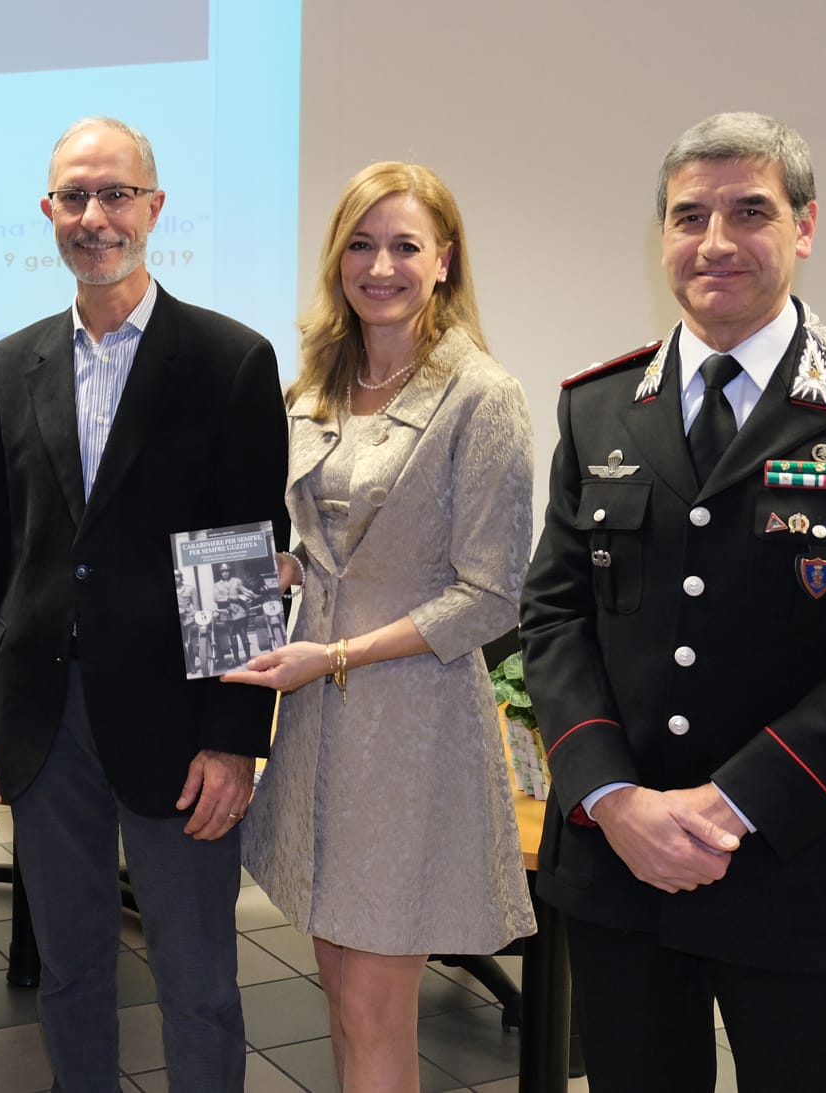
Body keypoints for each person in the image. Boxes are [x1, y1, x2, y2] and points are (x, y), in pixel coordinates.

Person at [519, 112, 826, 1093]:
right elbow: (554, 615)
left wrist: (729, 806)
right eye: (689, 216)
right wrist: (612, 798)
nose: (715, 241)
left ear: (804, 226)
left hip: (800, 867)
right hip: (621, 868)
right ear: (661, 236)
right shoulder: (598, 405)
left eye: (749, 211)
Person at [0, 116, 289, 1092]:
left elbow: (240, 563)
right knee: (69, 967)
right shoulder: (8, 365)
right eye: (74, 197)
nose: (95, 216)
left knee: (196, 980)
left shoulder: (228, 359)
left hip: (178, 725)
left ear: (154, 207)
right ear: (48, 211)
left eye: (115, 194)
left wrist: (232, 738)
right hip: (42, 720)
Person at [223, 162, 536, 1092]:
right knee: (340, 994)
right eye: (361, 244)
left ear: (445, 260)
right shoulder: (317, 383)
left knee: (373, 1006)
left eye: (405, 245)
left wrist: (337, 653)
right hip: (319, 727)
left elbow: (493, 594)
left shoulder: (482, 395)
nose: (381, 266)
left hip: (410, 727)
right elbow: (328, 543)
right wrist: (284, 569)